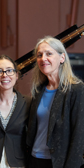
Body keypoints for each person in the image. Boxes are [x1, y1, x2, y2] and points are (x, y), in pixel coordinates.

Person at [26, 36, 84, 168]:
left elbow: (79, 136)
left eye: (49, 54)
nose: (43, 58)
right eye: (39, 55)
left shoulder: (76, 89)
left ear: (62, 58)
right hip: (34, 160)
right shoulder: (38, 90)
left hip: (58, 163)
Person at [0, 54, 31, 168]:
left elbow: (32, 137)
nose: (5, 75)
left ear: (16, 75)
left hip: (18, 164)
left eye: (9, 71)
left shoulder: (28, 103)